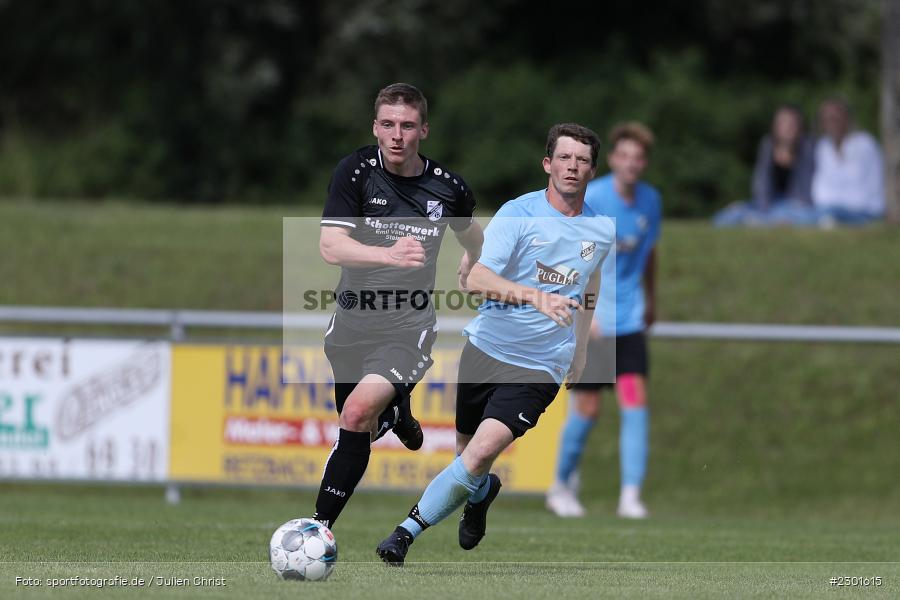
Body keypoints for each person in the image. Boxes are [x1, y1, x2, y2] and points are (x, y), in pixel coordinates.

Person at [375, 123, 616, 565]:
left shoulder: (600, 230)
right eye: (564, 158)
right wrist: (537, 297)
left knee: (480, 453)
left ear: (592, 171)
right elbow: (477, 280)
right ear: (548, 164)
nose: (572, 167)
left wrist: (580, 348)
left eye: (582, 160)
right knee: (468, 456)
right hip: (486, 348)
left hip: (541, 365)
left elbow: (591, 279)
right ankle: (482, 493)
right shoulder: (518, 214)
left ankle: (404, 534)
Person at [314, 83, 484, 529]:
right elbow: (331, 246)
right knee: (361, 426)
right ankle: (396, 412)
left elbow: (472, 234)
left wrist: (471, 260)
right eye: (387, 125)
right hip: (350, 326)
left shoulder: (447, 187)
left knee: (355, 413)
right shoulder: (355, 171)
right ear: (375, 127)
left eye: (407, 126)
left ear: (423, 130)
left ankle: (318, 527)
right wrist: (388, 254)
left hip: (407, 328)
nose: (396, 135)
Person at [546, 122, 661, 519]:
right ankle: (560, 485)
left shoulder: (651, 201)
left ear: (644, 163)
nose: (631, 163)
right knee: (588, 408)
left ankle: (630, 496)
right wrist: (582, 310)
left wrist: (652, 300)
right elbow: (569, 255)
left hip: (629, 321)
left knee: (635, 402)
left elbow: (649, 253)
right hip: (593, 321)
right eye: (624, 155)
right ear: (612, 159)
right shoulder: (593, 197)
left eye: (638, 157)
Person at [713, 105, 815, 227]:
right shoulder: (767, 145)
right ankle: (766, 220)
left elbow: (805, 193)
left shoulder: (808, 147)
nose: (789, 127)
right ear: (775, 126)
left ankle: (763, 221)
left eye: (793, 123)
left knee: (807, 215)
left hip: (797, 207)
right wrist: (764, 208)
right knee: (729, 214)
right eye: (784, 123)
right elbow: (761, 184)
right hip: (769, 206)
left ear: (800, 127)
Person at [810, 97, 885, 225]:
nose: (831, 124)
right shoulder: (823, 147)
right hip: (828, 209)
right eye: (825, 120)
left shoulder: (864, 144)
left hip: (863, 210)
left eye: (834, 119)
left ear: (846, 119)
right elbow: (821, 186)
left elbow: (859, 192)